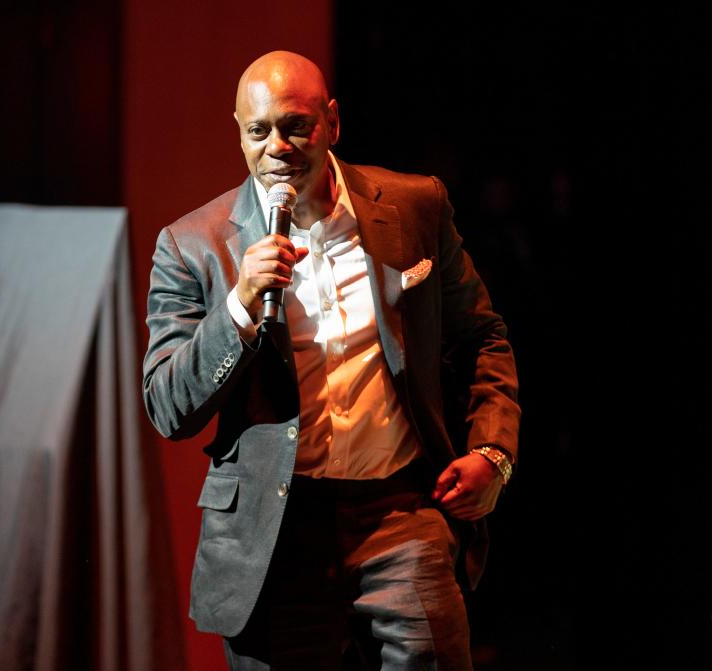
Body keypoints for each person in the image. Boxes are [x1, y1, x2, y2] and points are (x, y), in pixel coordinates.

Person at [142, 50, 520, 670]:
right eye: (258, 131)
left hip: (400, 509)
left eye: (296, 126)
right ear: (238, 132)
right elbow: (167, 408)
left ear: (332, 123)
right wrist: (237, 308)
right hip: (276, 528)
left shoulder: (414, 205)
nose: (278, 147)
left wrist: (493, 453)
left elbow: (483, 336)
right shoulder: (193, 246)